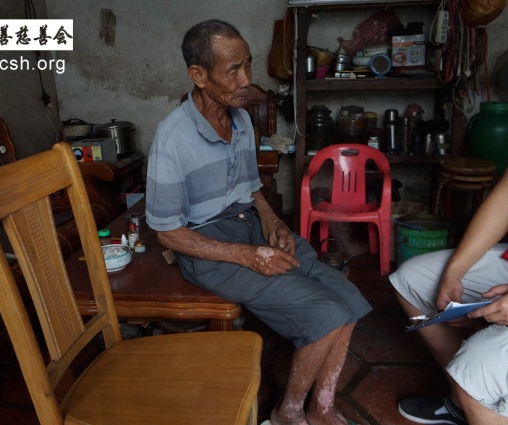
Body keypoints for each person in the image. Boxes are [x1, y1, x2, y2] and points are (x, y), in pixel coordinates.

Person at [145, 19, 372, 425]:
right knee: (325, 316)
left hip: (249, 226)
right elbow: (167, 232)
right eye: (233, 70)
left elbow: (252, 190)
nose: (247, 80)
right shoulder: (172, 138)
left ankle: (321, 407)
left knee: (348, 301)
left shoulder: (242, 120)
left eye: (247, 64)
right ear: (198, 75)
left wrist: (274, 224)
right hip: (208, 247)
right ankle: (287, 412)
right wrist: (247, 255)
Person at [390, 84, 508, 425]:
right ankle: (465, 403)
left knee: (482, 367)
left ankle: (481, 389)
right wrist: (456, 271)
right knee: (413, 280)